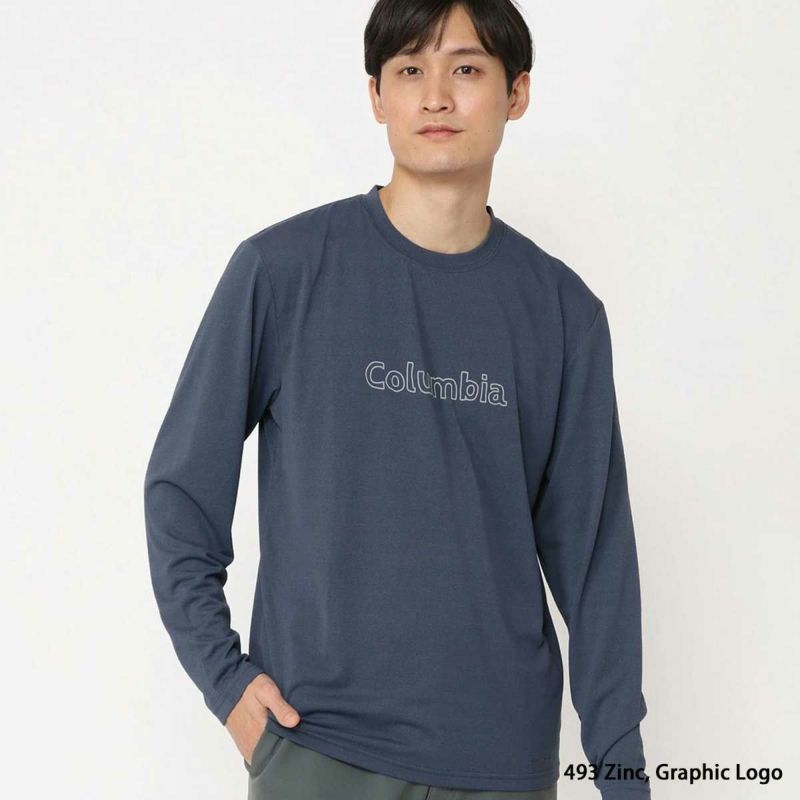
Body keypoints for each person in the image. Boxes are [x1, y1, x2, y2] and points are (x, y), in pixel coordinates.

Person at [143, 1, 651, 798]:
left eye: (467, 68)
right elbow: (181, 491)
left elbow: (597, 568)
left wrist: (624, 778)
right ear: (377, 96)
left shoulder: (562, 314)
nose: (436, 96)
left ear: (517, 92)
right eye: (411, 70)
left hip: (502, 761)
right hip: (318, 748)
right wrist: (225, 680)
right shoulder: (283, 272)